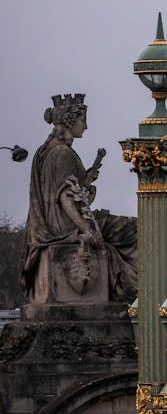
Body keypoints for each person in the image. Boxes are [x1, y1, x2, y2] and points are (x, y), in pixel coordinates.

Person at [22, 94, 137, 302]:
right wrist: (88, 230)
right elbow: (66, 197)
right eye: (83, 120)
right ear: (69, 120)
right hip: (66, 228)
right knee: (135, 229)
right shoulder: (62, 153)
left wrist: (85, 183)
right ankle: (135, 289)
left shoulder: (45, 151)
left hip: (56, 224)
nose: (86, 126)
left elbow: (68, 194)